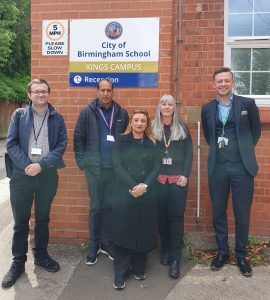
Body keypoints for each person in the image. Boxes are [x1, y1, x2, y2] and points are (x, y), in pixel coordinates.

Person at [1, 79, 68, 289]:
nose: (41, 95)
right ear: (29, 94)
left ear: (49, 93)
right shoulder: (19, 116)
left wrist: (42, 165)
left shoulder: (57, 117)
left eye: (44, 91)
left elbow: (61, 145)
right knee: (21, 222)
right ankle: (18, 262)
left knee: (42, 219)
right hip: (22, 175)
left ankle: (41, 255)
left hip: (47, 175)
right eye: (36, 92)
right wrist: (27, 165)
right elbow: (10, 143)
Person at [201, 67, 261, 277]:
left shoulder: (247, 104)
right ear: (214, 84)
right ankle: (222, 252)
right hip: (218, 167)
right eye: (219, 81)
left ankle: (242, 255)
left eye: (227, 81)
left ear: (232, 83)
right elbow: (209, 136)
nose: (223, 84)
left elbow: (256, 132)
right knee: (218, 211)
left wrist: (242, 149)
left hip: (241, 167)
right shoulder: (207, 108)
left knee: (242, 213)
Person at [73, 79, 129, 265]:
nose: (105, 93)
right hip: (95, 170)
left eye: (109, 90)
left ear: (113, 92)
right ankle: (93, 246)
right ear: (97, 91)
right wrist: (83, 163)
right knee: (96, 207)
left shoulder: (121, 113)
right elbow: (78, 140)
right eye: (102, 90)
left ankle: (106, 243)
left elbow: (126, 141)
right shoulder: (87, 113)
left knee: (110, 208)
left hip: (114, 170)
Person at [111, 108, 161, 290]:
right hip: (125, 191)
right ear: (131, 123)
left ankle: (139, 267)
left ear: (147, 124)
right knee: (124, 230)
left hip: (146, 193)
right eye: (136, 120)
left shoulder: (154, 143)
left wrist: (144, 186)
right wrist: (133, 186)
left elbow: (156, 168)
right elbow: (117, 165)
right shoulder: (121, 141)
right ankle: (120, 271)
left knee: (143, 230)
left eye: (143, 121)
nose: (139, 123)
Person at [152, 95, 193, 279]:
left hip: (178, 181)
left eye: (170, 104)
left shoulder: (182, 127)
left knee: (175, 217)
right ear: (159, 106)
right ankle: (166, 249)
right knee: (161, 217)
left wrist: (185, 175)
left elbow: (189, 154)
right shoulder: (151, 127)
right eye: (163, 103)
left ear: (174, 108)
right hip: (158, 180)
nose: (167, 107)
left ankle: (175, 257)